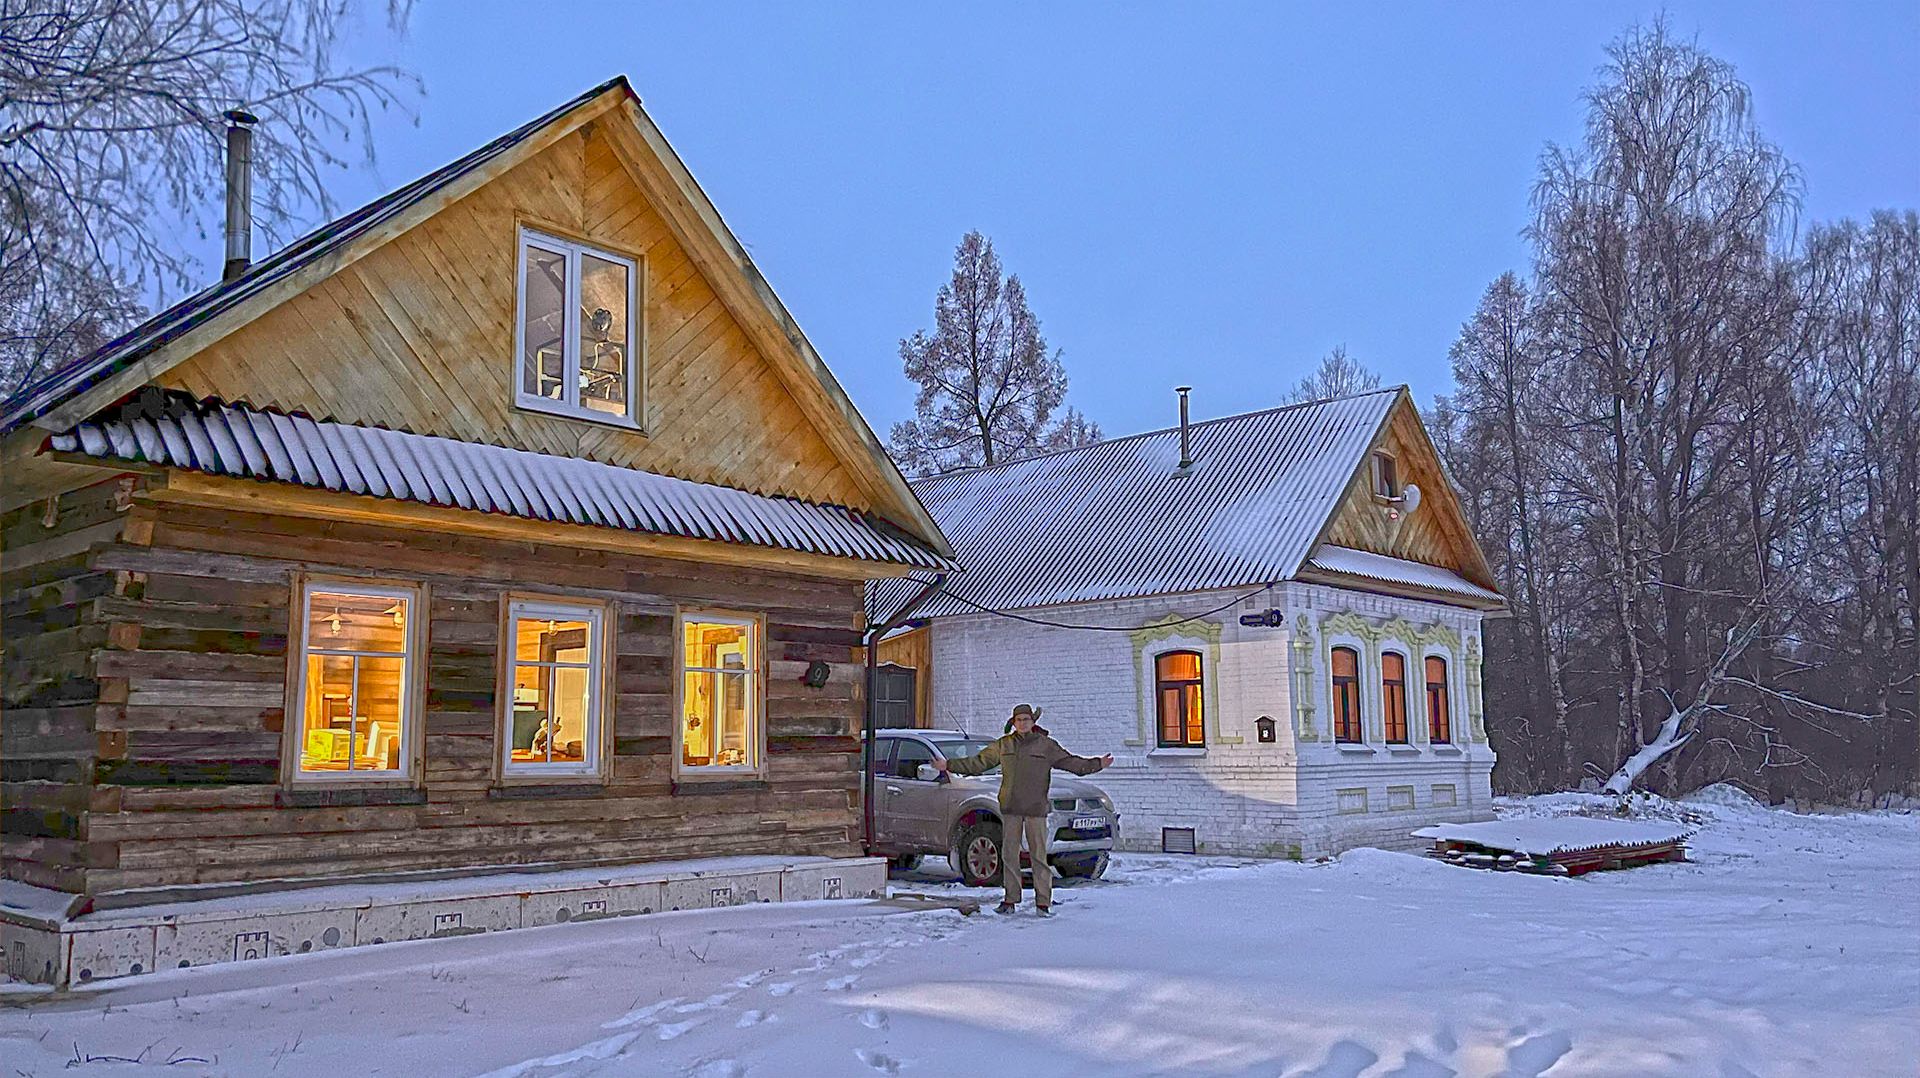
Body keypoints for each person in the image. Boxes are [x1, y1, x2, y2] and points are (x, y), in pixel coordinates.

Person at [935, 703, 1112, 915]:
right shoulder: (1004, 745)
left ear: (1033, 722)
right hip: (1011, 808)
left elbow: (1071, 763)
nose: (1022, 723)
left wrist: (1097, 763)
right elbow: (978, 763)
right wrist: (949, 765)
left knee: (1038, 856)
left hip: (1035, 808)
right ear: (1014, 723)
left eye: (1026, 719)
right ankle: (1010, 900)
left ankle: (1043, 903)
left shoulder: (1045, 745)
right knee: (1009, 855)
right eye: (1018, 720)